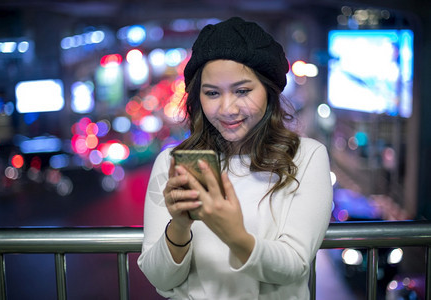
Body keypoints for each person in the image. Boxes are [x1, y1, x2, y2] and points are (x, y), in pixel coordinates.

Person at [137, 16, 333, 300]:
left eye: (242, 91)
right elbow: (158, 278)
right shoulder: (172, 162)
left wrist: (234, 234)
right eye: (212, 93)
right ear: (197, 98)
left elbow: (294, 264)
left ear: (269, 90)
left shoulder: (306, 156)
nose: (227, 108)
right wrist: (179, 226)